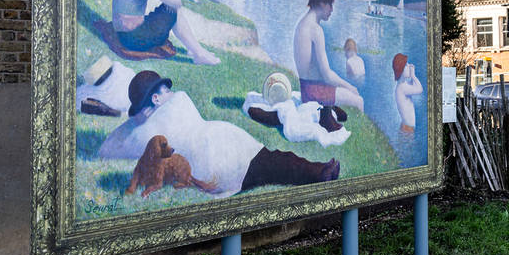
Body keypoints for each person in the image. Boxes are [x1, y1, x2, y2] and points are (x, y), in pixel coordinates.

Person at [98, 70, 339, 195]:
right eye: (165, 91)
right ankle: (318, 172)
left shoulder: (147, 127)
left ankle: (318, 170)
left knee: (272, 162)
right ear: (156, 98)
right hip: (217, 153)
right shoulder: (160, 120)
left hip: (221, 144)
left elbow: (110, 146)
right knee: (271, 164)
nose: (173, 93)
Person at [293, 0, 363, 111]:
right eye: (330, 4)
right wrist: (350, 87)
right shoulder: (316, 29)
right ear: (321, 3)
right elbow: (327, 75)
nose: (332, 9)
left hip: (305, 90)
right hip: (315, 92)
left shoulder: (301, 24)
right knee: (359, 101)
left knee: (345, 98)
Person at [393, 53, 423, 133]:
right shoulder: (402, 87)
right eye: (406, 65)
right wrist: (413, 76)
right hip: (407, 129)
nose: (409, 66)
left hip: (406, 127)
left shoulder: (402, 85)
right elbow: (419, 89)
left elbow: (414, 88)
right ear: (401, 68)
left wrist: (411, 77)